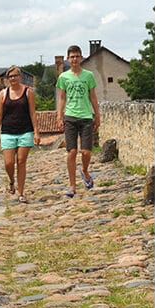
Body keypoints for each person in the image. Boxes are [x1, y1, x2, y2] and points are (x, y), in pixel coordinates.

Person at [56, 45, 99, 198]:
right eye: (72, 56)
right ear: (68, 59)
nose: (74, 59)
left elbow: (93, 96)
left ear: (81, 58)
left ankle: (85, 171)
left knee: (86, 152)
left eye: (77, 56)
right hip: (70, 116)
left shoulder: (89, 76)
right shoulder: (63, 77)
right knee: (72, 151)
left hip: (86, 116)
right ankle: (72, 186)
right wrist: (59, 116)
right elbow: (62, 98)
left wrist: (97, 115)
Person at [0, 65, 40, 203]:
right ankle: (11, 181)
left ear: (20, 77)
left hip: (25, 131)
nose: (13, 78)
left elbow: (32, 113)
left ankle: (21, 192)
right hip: (8, 132)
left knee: (21, 162)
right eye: (10, 76)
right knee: (9, 163)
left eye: (15, 75)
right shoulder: (3, 94)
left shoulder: (28, 92)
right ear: (7, 79)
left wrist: (36, 132)